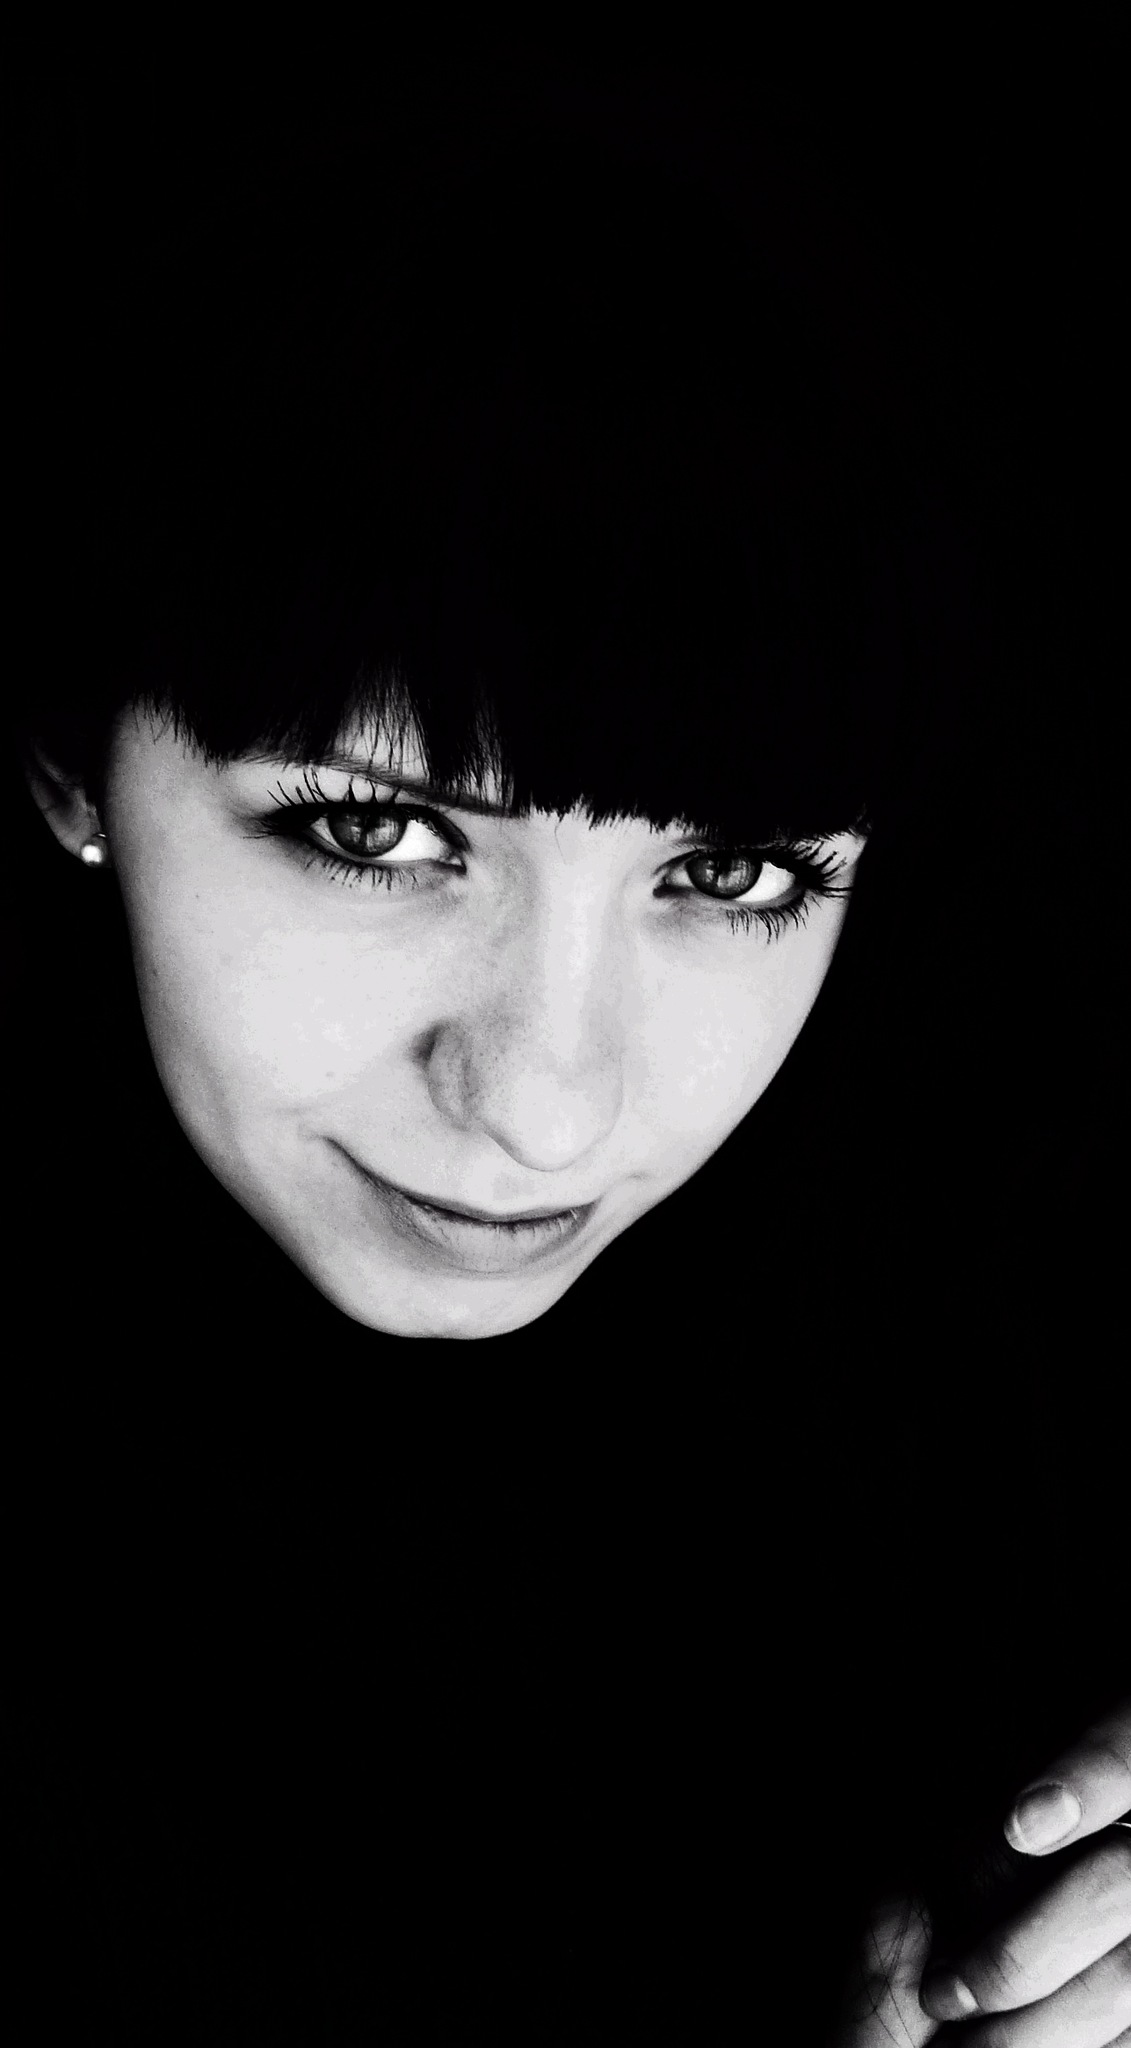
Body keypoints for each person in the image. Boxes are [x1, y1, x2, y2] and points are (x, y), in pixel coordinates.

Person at [7, 49, 1126, 2044]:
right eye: (376, 832)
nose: (543, 1100)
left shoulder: (1028, 1400)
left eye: (732, 872)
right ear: (68, 761)